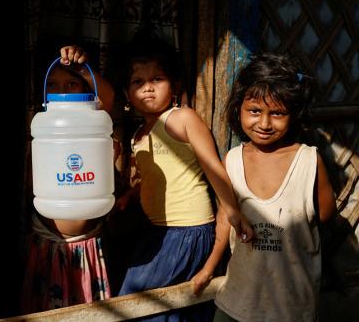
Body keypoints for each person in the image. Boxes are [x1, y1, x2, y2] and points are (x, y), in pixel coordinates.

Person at [114, 33, 252, 321]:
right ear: (127, 94)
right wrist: (132, 195)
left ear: (174, 85)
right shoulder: (139, 136)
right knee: (139, 303)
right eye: (138, 82)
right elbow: (154, 179)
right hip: (158, 232)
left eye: (157, 79)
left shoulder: (182, 119)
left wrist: (233, 212)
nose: (148, 88)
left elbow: (215, 170)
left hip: (188, 232)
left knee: (152, 308)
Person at [209, 53, 336, 322]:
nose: (265, 124)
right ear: (239, 109)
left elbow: (325, 215)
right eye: (255, 111)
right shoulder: (232, 162)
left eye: (277, 113)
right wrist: (208, 269)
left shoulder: (308, 162)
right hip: (237, 300)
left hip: (290, 306)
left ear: (294, 114)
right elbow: (223, 219)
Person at [20, 45, 116, 313]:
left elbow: (108, 98)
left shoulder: (95, 119)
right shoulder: (44, 122)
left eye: (71, 83)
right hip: (47, 245)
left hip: (87, 247)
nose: (62, 89)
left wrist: (83, 69)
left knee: (88, 313)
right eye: (53, 84)